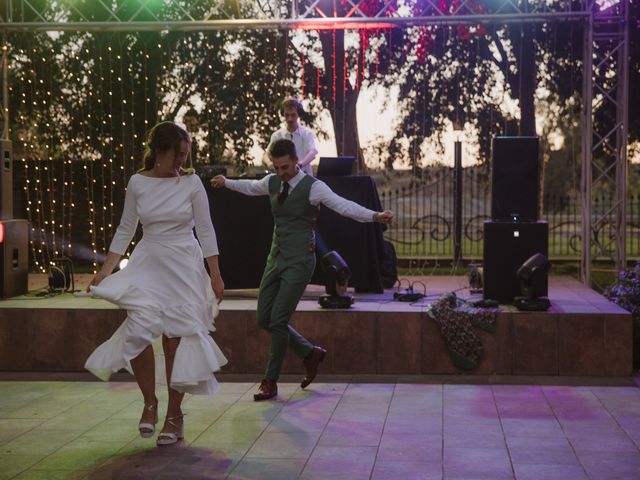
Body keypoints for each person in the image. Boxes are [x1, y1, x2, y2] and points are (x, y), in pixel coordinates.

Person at [211, 139, 393, 401]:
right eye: (276, 167)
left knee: (278, 321)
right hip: (276, 259)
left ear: (297, 161)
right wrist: (226, 182)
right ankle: (310, 353)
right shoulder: (273, 182)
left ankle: (270, 381)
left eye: (285, 166)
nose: (281, 172)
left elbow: (343, 205)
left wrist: (374, 216)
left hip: (299, 262)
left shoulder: (313, 187)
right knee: (264, 318)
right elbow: (250, 187)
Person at [84, 121, 227, 446]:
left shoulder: (191, 182)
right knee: (139, 329)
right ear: (158, 151)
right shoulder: (138, 182)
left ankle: (174, 417)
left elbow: (205, 229)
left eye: (185, 154)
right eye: (177, 154)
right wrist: (106, 270)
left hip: (183, 263)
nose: (182, 160)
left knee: (175, 339)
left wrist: (215, 274)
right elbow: (125, 228)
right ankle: (150, 402)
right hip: (149, 259)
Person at [267, 98, 318, 176]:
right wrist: (269, 164)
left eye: (293, 115)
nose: (290, 119)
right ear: (283, 114)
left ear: (299, 115)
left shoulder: (307, 133)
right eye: (287, 115)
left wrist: (300, 164)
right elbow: (267, 154)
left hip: (304, 176)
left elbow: (312, 152)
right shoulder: (277, 135)